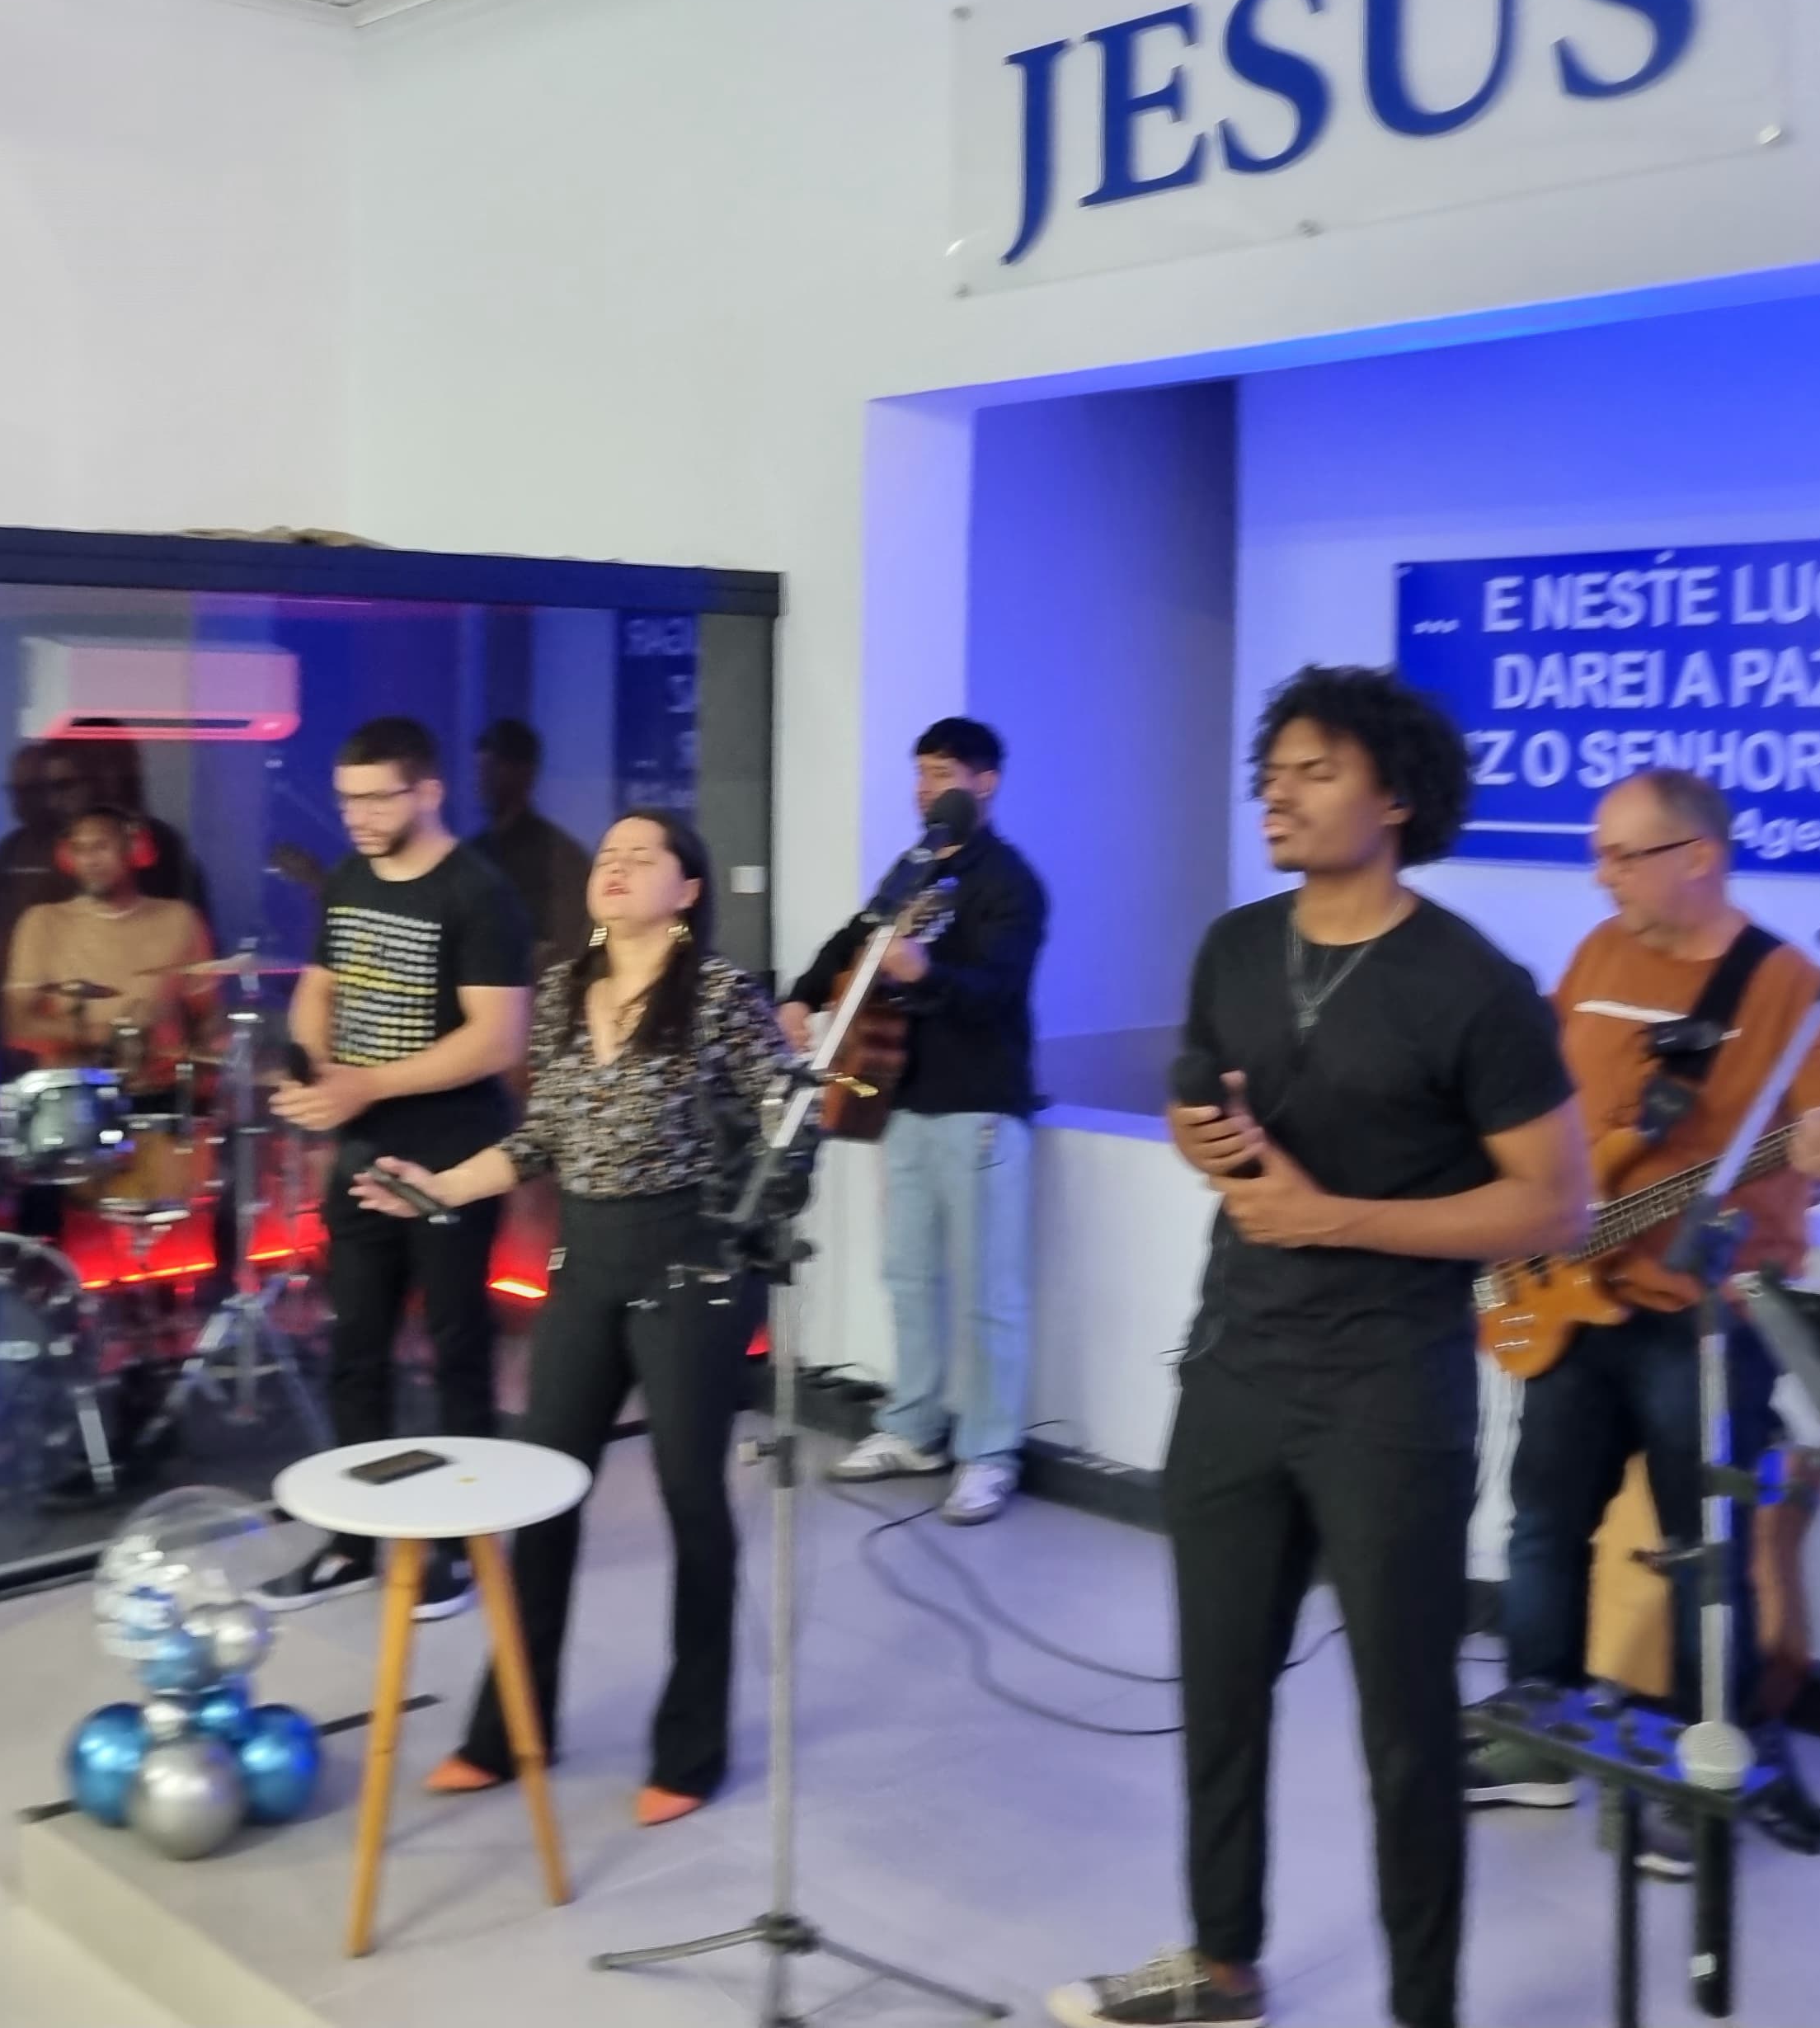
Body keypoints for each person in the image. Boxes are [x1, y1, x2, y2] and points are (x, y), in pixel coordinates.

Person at [1056, 668, 1591, 2028]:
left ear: (1395, 796)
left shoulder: (1473, 985)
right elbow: (1200, 1114)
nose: (1278, 794)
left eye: (1316, 771)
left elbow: (1555, 1204)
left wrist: (1331, 1214)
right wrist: (1210, 1147)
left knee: (1406, 1728)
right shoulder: (1236, 947)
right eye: (1273, 770)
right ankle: (1221, 1962)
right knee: (1220, 1693)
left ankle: (1424, 2007)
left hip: (1389, 1394)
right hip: (1235, 1367)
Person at [1466, 767, 1820, 1870]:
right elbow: (1559, 1115)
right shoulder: (1598, 956)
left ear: (1698, 857)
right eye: (1599, 854)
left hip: (1707, 1319)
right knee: (1542, 1526)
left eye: (1622, 855)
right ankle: (1537, 1738)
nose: (1600, 876)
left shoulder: (1790, 988)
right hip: (1570, 1295)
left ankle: (1695, 1772)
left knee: (1706, 1555)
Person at [350, 808, 791, 1826]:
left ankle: (690, 1751)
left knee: (691, 1500)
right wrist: (438, 1188)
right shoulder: (560, 992)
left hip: (689, 1263)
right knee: (542, 1494)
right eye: (607, 855)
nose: (617, 866)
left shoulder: (720, 995)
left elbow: (785, 1121)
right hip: (585, 1260)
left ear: (687, 890)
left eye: (643, 856)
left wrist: (755, 1216)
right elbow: (541, 1137)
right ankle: (509, 1728)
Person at [264, 717, 534, 1621]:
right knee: (356, 1347)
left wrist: (365, 1084)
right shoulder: (348, 878)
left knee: (456, 1348)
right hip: (359, 1144)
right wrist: (315, 1071)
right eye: (348, 800)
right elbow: (320, 988)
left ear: (428, 792)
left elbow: (497, 1040)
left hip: (452, 1148)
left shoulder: (478, 892)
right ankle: (353, 1541)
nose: (359, 817)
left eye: (378, 799)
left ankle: (461, 1546)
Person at [782, 718, 1047, 1526]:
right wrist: (800, 994)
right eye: (921, 773)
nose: (926, 789)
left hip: (981, 1109)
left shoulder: (1011, 883)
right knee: (907, 1276)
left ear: (986, 782)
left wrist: (925, 971)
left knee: (990, 1293)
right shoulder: (914, 868)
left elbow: (996, 991)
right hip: (900, 1100)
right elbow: (854, 939)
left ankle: (989, 1453)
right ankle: (913, 1428)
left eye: (943, 773)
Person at [0, 807, 218, 1093]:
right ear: (67, 858)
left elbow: (210, 1017)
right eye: (79, 849)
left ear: (135, 849)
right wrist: (113, 1035)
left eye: (101, 847)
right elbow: (17, 1024)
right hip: (73, 1095)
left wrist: (212, 1069)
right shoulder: (42, 922)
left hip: (161, 1093)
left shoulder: (180, 919)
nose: (90, 860)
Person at [465, 720, 591, 976]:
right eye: (480, 770)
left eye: (493, 769)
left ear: (525, 773)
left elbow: (570, 943)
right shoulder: (472, 853)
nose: (482, 782)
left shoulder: (560, 857)